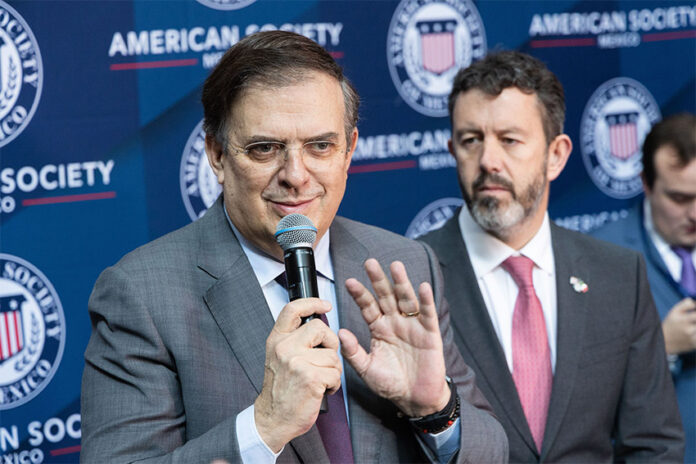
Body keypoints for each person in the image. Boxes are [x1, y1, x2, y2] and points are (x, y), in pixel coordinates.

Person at [80, 31, 507, 463]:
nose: (297, 176)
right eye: (265, 149)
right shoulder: (142, 295)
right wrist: (263, 427)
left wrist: (434, 410)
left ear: (349, 150)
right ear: (217, 156)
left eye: (320, 146)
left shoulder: (406, 264)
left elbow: (492, 452)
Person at [419, 50, 684, 462]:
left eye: (509, 140)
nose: (488, 161)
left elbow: (654, 445)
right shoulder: (415, 274)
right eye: (472, 140)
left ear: (556, 155)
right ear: (453, 149)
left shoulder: (618, 275)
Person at [592, 112, 696, 463]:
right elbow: (585, 394)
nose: (695, 213)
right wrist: (660, 346)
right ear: (646, 184)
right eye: (680, 199)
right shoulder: (601, 258)